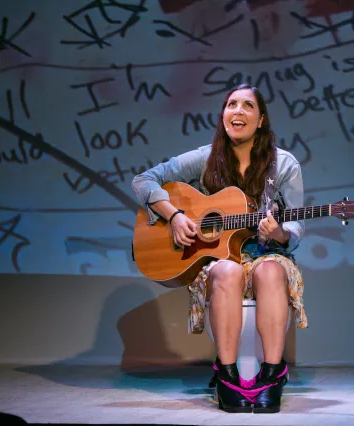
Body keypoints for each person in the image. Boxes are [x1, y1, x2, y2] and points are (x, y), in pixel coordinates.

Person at [131, 83, 308, 413]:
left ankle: (272, 374)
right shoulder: (204, 158)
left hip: (267, 254)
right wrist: (175, 216)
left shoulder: (284, 164)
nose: (237, 111)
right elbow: (143, 181)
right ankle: (227, 376)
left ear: (261, 120)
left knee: (270, 270)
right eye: (231, 104)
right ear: (223, 115)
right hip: (216, 260)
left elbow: (297, 224)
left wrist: (280, 233)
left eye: (247, 106)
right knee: (226, 270)